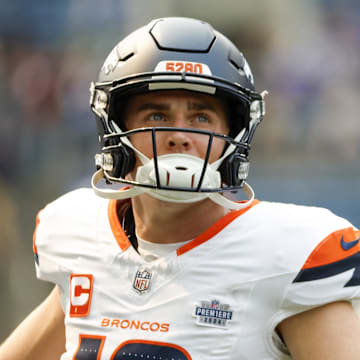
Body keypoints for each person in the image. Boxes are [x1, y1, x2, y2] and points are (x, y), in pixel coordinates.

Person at [1, 17, 360, 360]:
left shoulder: (288, 256)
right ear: (114, 129)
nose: (179, 136)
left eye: (201, 117)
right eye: (156, 115)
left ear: (232, 136)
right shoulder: (79, 231)